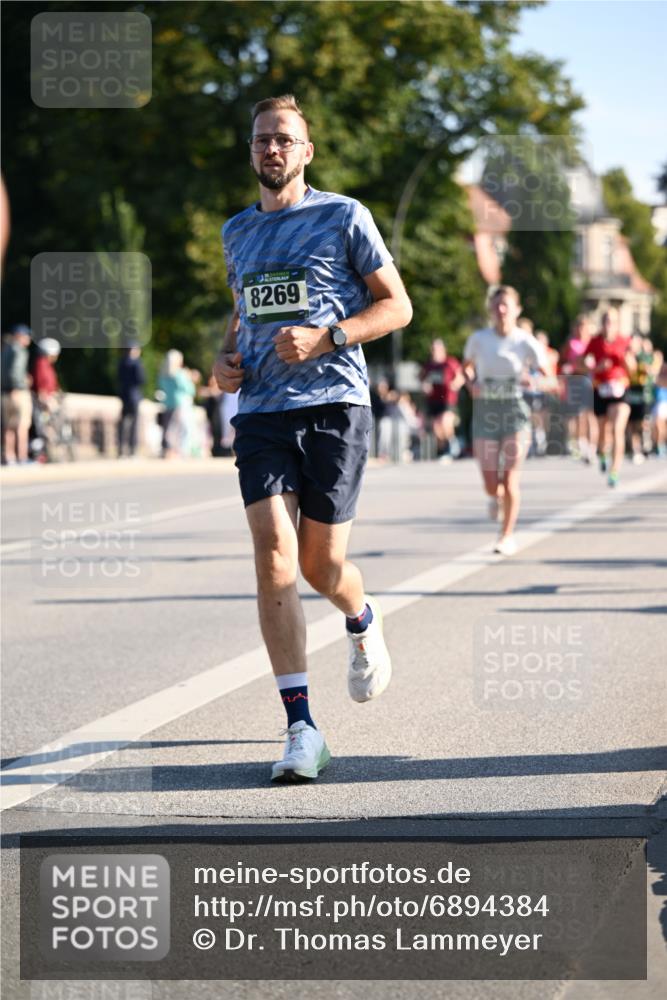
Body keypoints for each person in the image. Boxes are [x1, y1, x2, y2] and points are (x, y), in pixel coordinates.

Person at [213, 94, 412, 783]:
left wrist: (330, 335)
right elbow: (242, 315)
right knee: (272, 557)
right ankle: (301, 727)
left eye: (284, 139)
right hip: (262, 411)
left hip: (334, 405)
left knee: (318, 567)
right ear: (251, 151)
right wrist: (222, 359)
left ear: (306, 151)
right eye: (262, 139)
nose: (272, 149)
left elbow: (396, 305)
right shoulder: (236, 232)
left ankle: (359, 617)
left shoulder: (343, 216)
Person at [463, 286, 546, 556]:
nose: (501, 310)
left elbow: (548, 374)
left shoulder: (525, 341)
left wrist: (532, 379)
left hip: (515, 412)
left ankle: (506, 535)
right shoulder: (479, 339)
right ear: (490, 309)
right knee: (491, 482)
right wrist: (471, 383)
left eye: (506, 305)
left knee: (510, 479)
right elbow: (466, 367)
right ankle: (494, 497)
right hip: (486, 411)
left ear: (516, 310)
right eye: (496, 305)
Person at [586, 308, 632, 487]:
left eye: (611, 321)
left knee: (617, 430)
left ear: (617, 324)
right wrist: (596, 367)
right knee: (603, 432)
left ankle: (614, 471)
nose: (608, 324)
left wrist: (627, 361)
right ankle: (602, 453)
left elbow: (632, 368)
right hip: (601, 390)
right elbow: (582, 363)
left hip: (620, 389)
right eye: (605, 320)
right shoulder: (595, 341)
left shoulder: (624, 341)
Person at [559, 315, 596, 463]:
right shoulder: (571, 343)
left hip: (591, 381)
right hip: (575, 380)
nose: (581, 330)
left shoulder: (592, 343)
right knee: (576, 414)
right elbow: (563, 360)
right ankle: (579, 443)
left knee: (590, 415)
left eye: (584, 326)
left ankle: (592, 446)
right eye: (579, 326)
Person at [420, 339, 463, 459]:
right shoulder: (428, 366)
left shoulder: (450, 362)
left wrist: (456, 383)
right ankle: (445, 449)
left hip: (448, 399)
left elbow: (460, 376)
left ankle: (453, 445)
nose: (435, 352)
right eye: (433, 349)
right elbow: (423, 380)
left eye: (437, 349)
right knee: (435, 427)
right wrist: (424, 386)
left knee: (445, 423)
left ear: (443, 350)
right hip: (434, 400)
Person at [1, 323, 33, 465]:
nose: (28, 339)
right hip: (17, 392)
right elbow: (15, 371)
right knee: (22, 426)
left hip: (4, 392)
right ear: (19, 336)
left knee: (8, 427)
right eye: (27, 336)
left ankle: (9, 457)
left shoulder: (5, 349)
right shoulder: (19, 350)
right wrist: (21, 383)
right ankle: (22, 457)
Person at [157, 349, 195, 458]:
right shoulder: (180, 374)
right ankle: (182, 451)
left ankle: (169, 451)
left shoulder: (163, 374)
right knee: (184, 429)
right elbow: (190, 390)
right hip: (181, 404)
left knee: (169, 430)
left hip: (168, 404)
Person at [117, 343, 145, 458]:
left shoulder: (122, 362)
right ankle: (132, 450)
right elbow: (142, 379)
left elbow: (118, 378)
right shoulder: (137, 363)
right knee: (134, 424)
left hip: (124, 395)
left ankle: (121, 449)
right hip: (134, 396)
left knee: (123, 423)